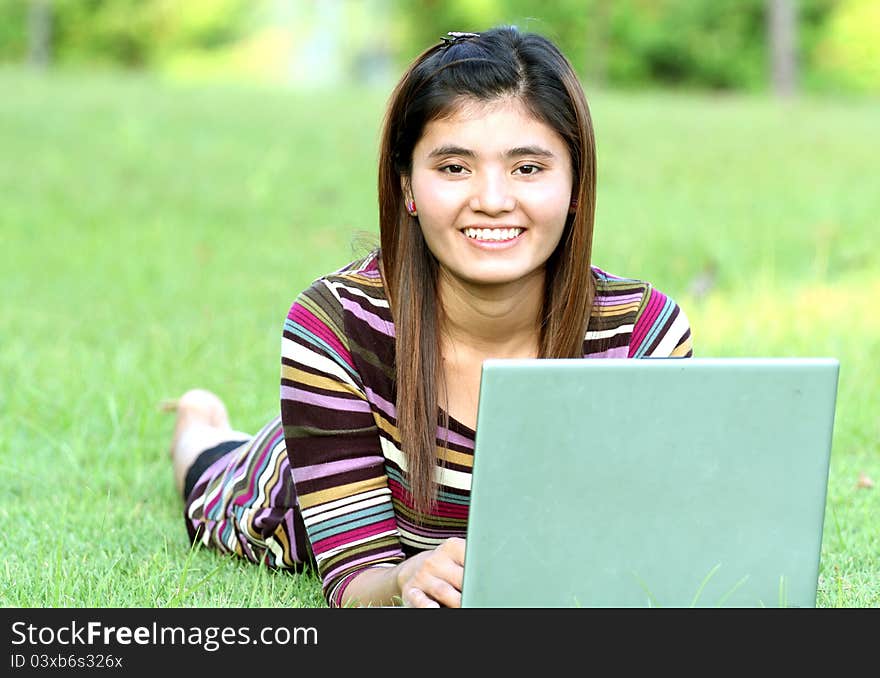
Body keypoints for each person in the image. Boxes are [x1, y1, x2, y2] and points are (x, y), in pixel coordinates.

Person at [166, 25, 693, 609]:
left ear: (575, 185)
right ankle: (199, 422)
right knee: (213, 467)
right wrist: (399, 583)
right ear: (407, 186)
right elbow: (353, 579)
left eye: (528, 168)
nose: (492, 200)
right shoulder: (336, 327)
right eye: (454, 167)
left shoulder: (643, 336)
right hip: (300, 485)